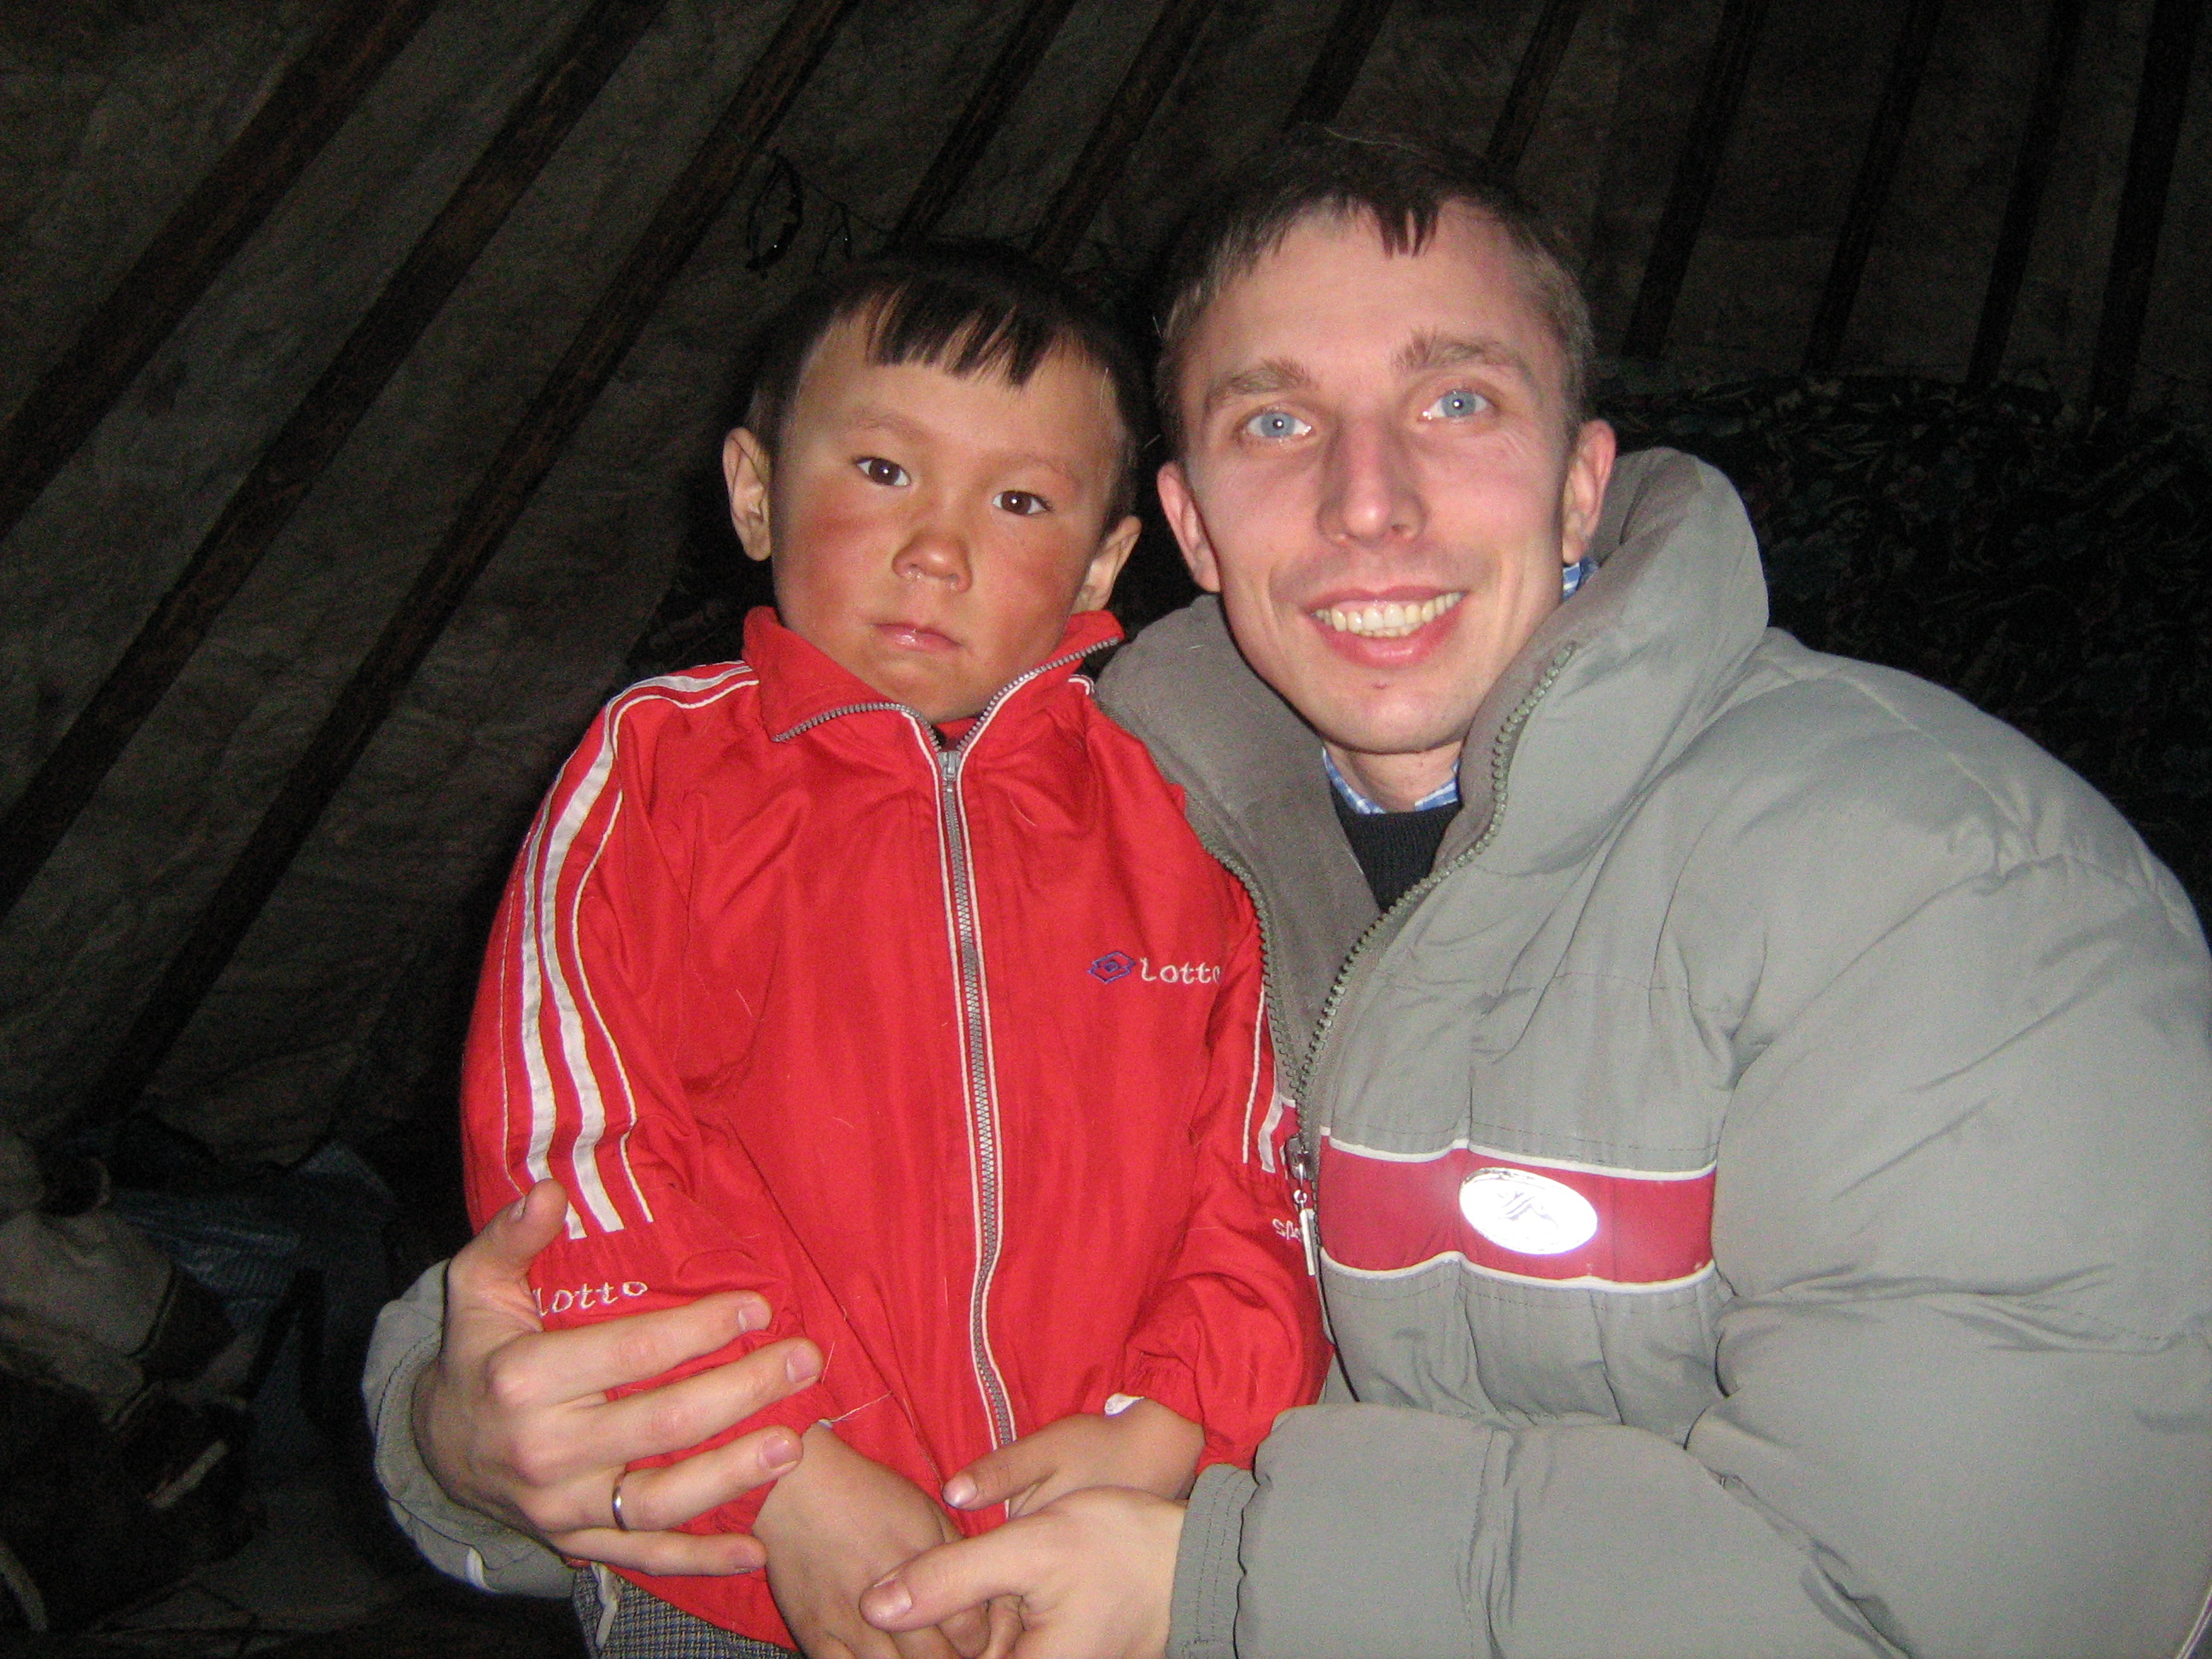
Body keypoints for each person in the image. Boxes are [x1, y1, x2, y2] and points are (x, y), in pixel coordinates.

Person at [368, 133, 2212, 1659]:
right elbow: (634, 1178)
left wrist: (1210, 1559)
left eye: (1455, 399)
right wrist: (450, 1438)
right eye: (1274, 424)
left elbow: (1988, 1597)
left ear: (1584, 485)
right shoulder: (1193, 816)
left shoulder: (1946, 891)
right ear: (1186, 529)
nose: (1368, 501)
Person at [422, 244, 1327, 1657]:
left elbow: (1259, 1173)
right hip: (742, 1553)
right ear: (754, 490)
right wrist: (787, 1468)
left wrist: (1169, 1429)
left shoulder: (1177, 809)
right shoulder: (656, 775)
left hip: (1112, 1554)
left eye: (1019, 501)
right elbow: (578, 1150)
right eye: (884, 471)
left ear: (1102, 560)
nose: (936, 550)